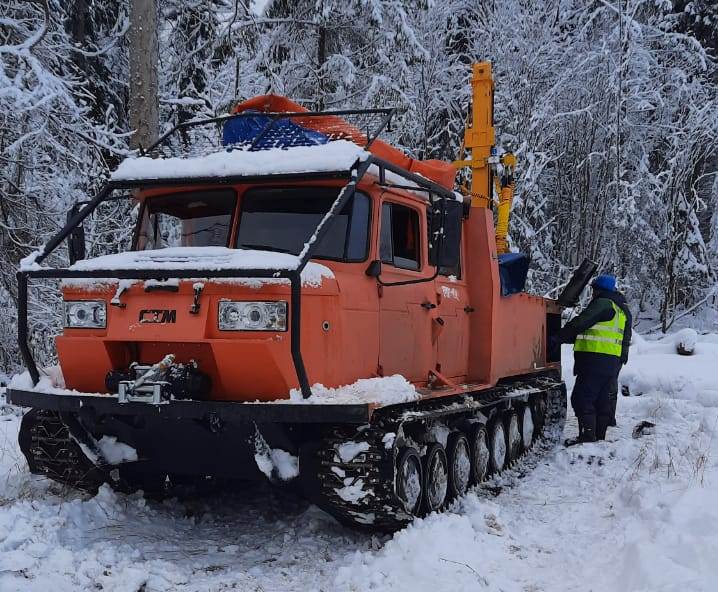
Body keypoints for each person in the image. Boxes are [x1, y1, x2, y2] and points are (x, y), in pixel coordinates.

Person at [555, 273, 632, 445]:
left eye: (593, 289)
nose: (592, 293)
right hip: (611, 362)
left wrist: (557, 337)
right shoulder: (621, 307)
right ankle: (599, 438)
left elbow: (582, 322)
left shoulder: (603, 304)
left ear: (598, 290)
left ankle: (587, 437)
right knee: (602, 400)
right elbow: (595, 332)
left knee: (582, 398)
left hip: (595, 360)